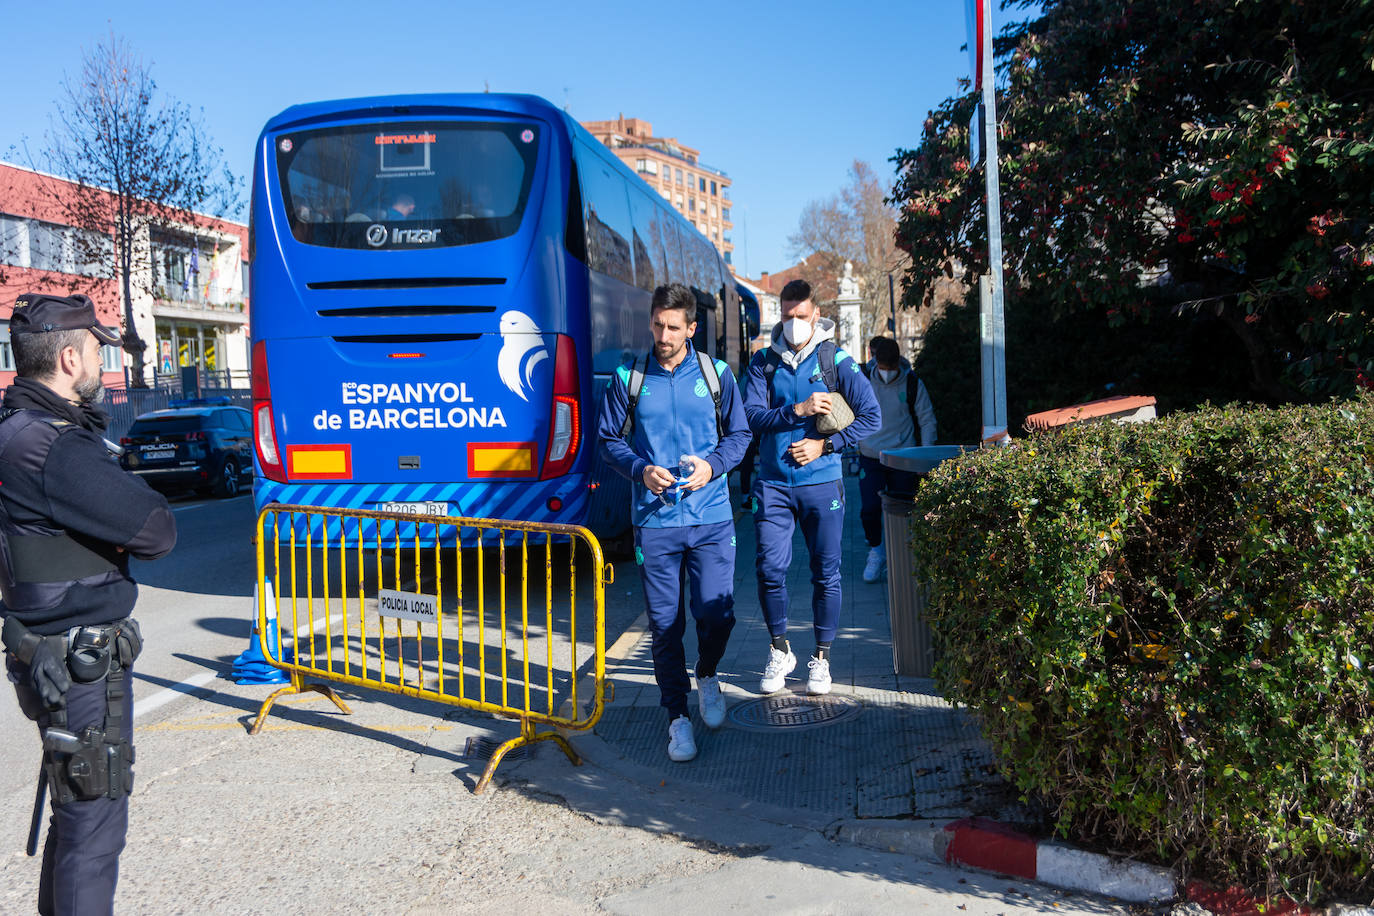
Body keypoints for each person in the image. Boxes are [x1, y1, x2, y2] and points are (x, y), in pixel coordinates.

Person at [0, 293, 177, 916]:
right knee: (94, 831)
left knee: (75, 819)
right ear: (69, 356)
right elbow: (156, 530)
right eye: (98, 353)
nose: (104, 367)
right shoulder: (54, 446)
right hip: (80, 664)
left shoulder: (13, 430)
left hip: (45, 651)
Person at [596, 283, 751, 761]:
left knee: (716, 614)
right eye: (657, 324)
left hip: (711, 519)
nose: (663, 334)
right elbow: (606, 441)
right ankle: (676, 717)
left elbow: (741, 435)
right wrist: (641, 470)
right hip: (654, 522)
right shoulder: (628, 377)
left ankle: (706, 672)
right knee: (664, 625)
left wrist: (713, 465)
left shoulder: (717, 372)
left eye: (673, 327)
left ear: (692, 328)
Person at [743, 279, 880, 696]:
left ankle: (821, 658)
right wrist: (796, 410)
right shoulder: (764, 362)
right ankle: (779, 649)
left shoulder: (835, 359)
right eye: (787, 316)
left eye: (802, 316)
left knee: (827, 573)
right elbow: (750, 416)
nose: (794, 323)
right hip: (773, 485)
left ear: (816, 315)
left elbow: (871, 416)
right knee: (769, 570)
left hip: (822, 484)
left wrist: (826, 444)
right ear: (779, 316)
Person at [858, 336, 937, 583]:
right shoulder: (862, 381)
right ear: (875, 362)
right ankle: (876, 551)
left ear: (898, 364)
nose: (888, 372)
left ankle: (902, 556)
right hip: (871, 455)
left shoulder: (912, 382)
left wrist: (925, 457)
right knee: (869, 509)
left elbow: (926, 419)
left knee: (904, 509)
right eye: (883, 367)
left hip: (904, 456)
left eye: (892, 368)